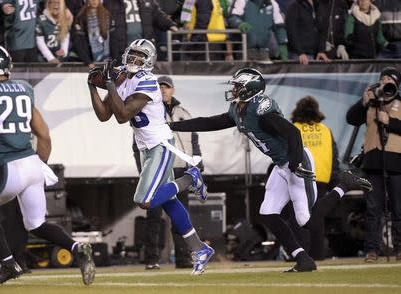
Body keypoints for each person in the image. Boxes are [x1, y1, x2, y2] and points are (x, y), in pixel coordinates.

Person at [169, 67, 373, 272]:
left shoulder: (261, 109)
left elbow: (293, 133)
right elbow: (212, 122)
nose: (234, 89)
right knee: (268, 213)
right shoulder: (238, 109)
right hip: (281, 164)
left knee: (307, 221)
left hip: (297, 160)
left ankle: (344, 185)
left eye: (238, 86)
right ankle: (302, 258)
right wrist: (173, 126)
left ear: (250, 89)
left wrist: (295, 164)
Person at [0, 44, 95, 284]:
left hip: (5, 166)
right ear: (7, 66)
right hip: (31, 163)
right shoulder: (24, 89)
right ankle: (77, 248)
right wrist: (41, 164)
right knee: (35, 223)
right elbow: (44, 135)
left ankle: (7, 264)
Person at [87, 38, 214, 275]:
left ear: (149, 62)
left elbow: (123, 115)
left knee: (144, 200)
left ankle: (190, 178)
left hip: (160, 145)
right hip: (145, 147)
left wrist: (109, 83)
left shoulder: (147, 81)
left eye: (140, 57)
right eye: (132, 54)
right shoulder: (123, 77)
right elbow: (104, 115)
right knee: (168, 201)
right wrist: (93, 87)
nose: (134, 60)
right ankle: (200, 249)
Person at [133, 75, 202, 270]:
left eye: (166, 87)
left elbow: (194, 139)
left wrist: (198, 160)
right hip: (159, 167)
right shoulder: (149, 109)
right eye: (159, 86)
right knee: (153, 216)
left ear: (173, 90)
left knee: (176, 213)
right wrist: (144, 170)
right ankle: (152, 259)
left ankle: (183, 257)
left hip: (181, 167)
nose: (163, 90)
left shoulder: (183, 112)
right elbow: (139, 145)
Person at [346, 67, 401, 262]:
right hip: (372, 161)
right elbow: (351, 119)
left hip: (397, 161)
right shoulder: (370, 103)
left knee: (398, 208)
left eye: (389, 79)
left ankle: (399, 249)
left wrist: (391, 122)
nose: (385, 80)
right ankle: (372, 250)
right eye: (382, 78)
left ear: (396, 83)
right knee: (373, 209)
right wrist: (363, 102)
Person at [289, 95, 341, 260]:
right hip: (321, 179)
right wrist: (334, 179)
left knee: (298, 217)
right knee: (317, 217)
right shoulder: (325, 130)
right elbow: (334, 157)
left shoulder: (293, 128)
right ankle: (318, 253)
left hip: (300, 178)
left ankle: (302, 254)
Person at [103, 0, 179, 61]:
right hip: (121, 49)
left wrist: (170, 24)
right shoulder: (110, 2)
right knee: (122, 76)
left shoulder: (148, 1)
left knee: (142, 75)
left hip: (143, 49)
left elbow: (158, 14)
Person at [285, 0, 331, 65]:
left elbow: (324, 31)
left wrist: (321, 50)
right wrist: (300, 53)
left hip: (316, 56)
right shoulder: (294, 6)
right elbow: (291, 31)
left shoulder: (320, 6)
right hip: (298, 56)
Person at [72, 0, 111, 68]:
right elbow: (78, 42)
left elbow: (113, 39)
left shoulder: (107, 15)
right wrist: (88, 61)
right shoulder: (81, 16)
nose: (94, 1)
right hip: (90, 61)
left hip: (108, 59)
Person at [36, 0, 73, 64]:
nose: (55, 5)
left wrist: (63, 51)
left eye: (58, 2)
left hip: (59, 55)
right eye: (53, 2)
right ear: (48, 4)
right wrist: (50, 58)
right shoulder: (41, 20)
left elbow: (65, 38)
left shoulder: (65, 18)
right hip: (44, 57)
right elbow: (39, 41)